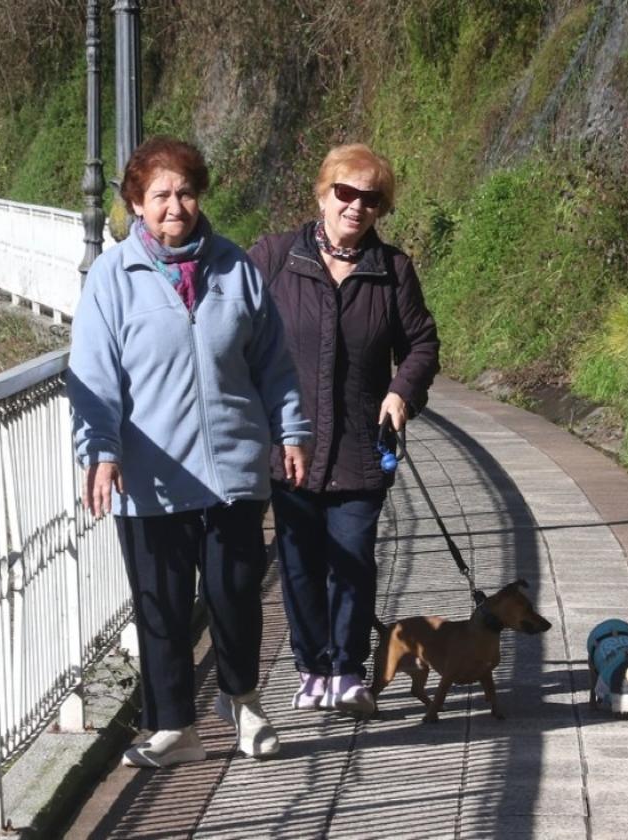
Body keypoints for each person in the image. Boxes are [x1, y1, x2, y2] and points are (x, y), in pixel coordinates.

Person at [68, 136, 312, 768]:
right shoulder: (110, 278)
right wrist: (99, 449)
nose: (175, 206)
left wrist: (291, 432)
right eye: (160, 195)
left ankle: (246, 705)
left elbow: (275, 366)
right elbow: (92, 376)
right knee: (162, 609)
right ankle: (175, 728)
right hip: (150, 479)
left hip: (232, 468)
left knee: (235, 598)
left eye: (184, 192)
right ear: (134, 204)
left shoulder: (236, 268)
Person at [249, 143, 439, 714]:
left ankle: (349, 670)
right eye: (346, 193)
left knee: (353, 557)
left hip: (360, 444)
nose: (356, 207)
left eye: (371, 199)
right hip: (291, 446)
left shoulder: (392, 270)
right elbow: (228, 323)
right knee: (300, 562)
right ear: (323, 193)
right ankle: (311, 668)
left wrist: (401, 391)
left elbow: (422, 344)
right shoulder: (276, 257)